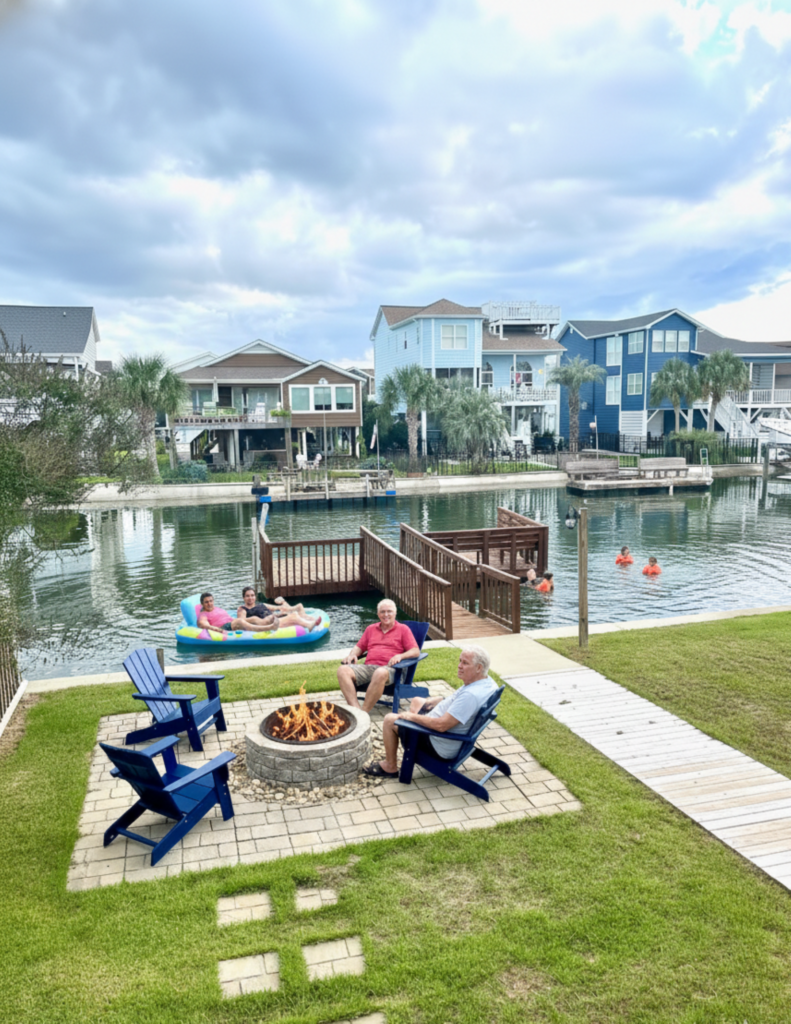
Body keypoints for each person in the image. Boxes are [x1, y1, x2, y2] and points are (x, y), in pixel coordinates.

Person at [363, 645, 497, 778]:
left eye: (465, 663)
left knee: (390, 719)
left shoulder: (470, 696)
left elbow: (441, 725)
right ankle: (410, 732)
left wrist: (410, 717)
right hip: (448, 735)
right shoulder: (486, 683)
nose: (459, 666)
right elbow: (459, 705)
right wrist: (441, 701)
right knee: (416, 700)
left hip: (439, 745)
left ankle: (390, 766)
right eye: (460, 661)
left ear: (479, 668)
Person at [337, 599, 419, 713]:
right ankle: (357, 712)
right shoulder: (371, 629)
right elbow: (359, 647)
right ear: (378, 614)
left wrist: (400, 656)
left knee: (380, 672)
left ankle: (364, 713)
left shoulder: (403, 629)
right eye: (382, 612)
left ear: (395, 613)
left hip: (392, 669)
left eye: (389, 611)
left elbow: (415, 651)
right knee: (342, 670)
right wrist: (352, 655)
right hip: (369, 667)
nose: (386, 615)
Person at [236, 586, 321, 631]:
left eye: (252, 595)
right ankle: (309, 625)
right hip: (269, 624)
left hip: (275, 618)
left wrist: (283, 604)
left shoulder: (261, 604)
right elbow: (241, 621)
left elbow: (278, 608)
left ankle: (309, 619)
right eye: (247, 596)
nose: (250, 598)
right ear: (243, 598)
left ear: (255, 596)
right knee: (294, 615)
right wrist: (257, 619)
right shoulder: (242, 609)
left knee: (298, 607)